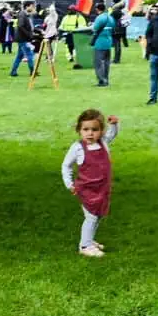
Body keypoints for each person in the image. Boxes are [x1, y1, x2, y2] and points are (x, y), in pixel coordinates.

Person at [61, 109, 120, 258]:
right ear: (79, 130)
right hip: (87, 190)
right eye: (86, 129)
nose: (90, 133)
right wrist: (69, 184)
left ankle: (89, 240)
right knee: (92, 216)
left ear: (101, 131)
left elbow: (112, 134)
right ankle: (85, 246)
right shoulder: (77, 148)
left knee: (98, 215)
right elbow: (66, 166)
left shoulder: (103, 143)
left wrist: (114, 125)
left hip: (102, 189)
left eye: (95, 129)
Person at [89, 2, 115, 87]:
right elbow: (113, 28)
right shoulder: (110, 17)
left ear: (97, 9)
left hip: (100, 42)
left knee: (98, 63)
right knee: (107, 63)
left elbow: (94, 29)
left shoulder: (99, 18)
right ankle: (106, 80)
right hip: (108, 42)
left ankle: (101, 81)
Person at [9, 3, 37, 76]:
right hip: (23, 38)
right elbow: (20, 26)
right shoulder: (22, 14)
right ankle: (32, 72)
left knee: (19, 56)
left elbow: (29, 27)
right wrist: (28, 34)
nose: (33, 8)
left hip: (22, 38)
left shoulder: (27, 15)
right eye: (32, 6)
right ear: (27, 7)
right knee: (29, 54)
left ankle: (13, 72)